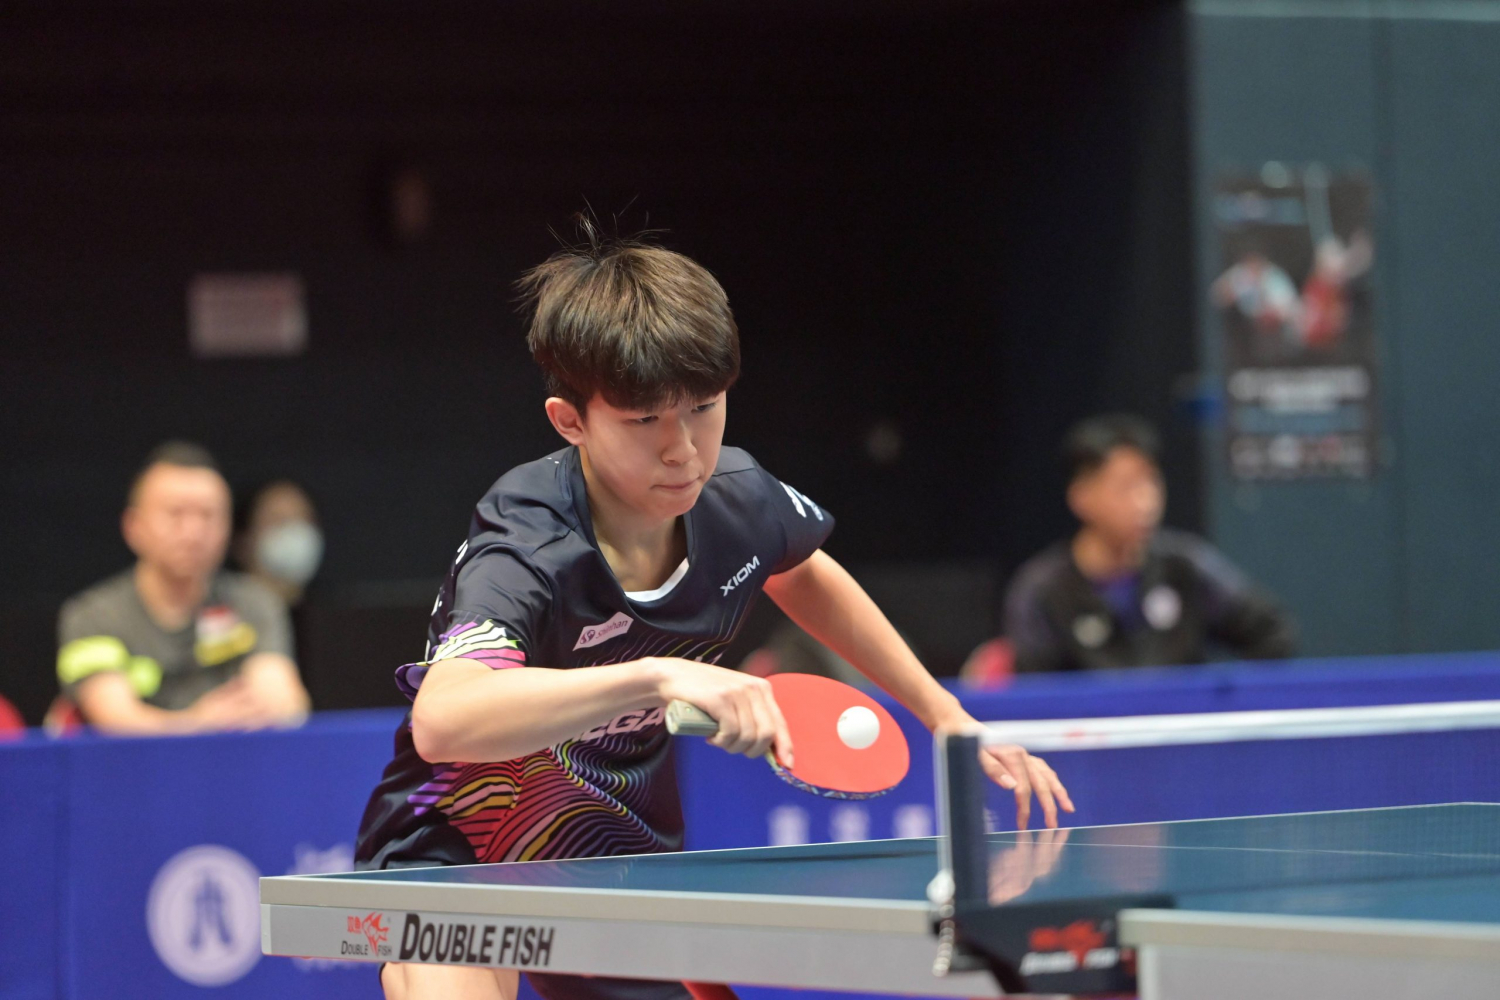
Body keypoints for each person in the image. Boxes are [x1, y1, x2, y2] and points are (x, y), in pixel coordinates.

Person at [356, 225, 1073, 1000]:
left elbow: (803, 573)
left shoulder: (738, 501)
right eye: (643, 420)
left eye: (703, 407)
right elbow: (445, 718)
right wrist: (658, 676)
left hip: (613, 846)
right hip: (458, 840)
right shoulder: (528, 541)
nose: (683, 450)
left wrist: (945, 715)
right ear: (570, 421)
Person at [1003, 415, 1296, 673]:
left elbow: (1271, 631)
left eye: (1151, 482)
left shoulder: (1185, 566)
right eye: (1125, 486)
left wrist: (1224, 700)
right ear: (1081, 497)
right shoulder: (1042, 589)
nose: (1146, 502)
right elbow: (1034, 690)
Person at [55, 442, 312, 734]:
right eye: (175, 514)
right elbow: (116, 720)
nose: (193, 532)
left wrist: (279, 706)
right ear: (133, 526)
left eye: (208, 515)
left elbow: (282, 699)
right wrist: (199, 723)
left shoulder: (255, 602)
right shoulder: (91, 616)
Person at [233, 480, 324, 607]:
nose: (293, 531)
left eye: (303, 520)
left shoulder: (333, 613)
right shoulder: (220, 611)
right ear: (243, 540)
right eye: (278, 520)